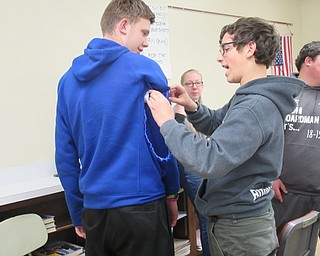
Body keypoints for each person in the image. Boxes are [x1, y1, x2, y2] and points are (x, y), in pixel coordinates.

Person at [146, 17, 305, 256]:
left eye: (226, 48)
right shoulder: (252, 97)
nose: (220, 58)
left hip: (240, 230)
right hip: (246, 222)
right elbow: (219, 123)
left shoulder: (254, 107)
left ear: (250, 48)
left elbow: (209, 160)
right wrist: (191, 106)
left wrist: (167, 122)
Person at [55, 0, 180, 255]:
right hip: (141, 206)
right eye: (144, 33)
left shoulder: (67, 81)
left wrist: (78, 211)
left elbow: (65, 156)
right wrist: (171, 193)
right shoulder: (145, 70)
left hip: (95, 211)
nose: (146, 43)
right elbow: (163, 140)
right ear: (124, 26)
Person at [272, 41, 320, 236]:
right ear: (308, 61)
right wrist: (270, 176)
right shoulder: (283, 93)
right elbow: (265, 138)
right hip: (289, 193)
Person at [174, 69, 210, 256]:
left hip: (205, 166)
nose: (195, 87)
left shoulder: (201, 109)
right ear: (182, 87)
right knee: (206, 216)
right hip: (189, 169)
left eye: (198, 83)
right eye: (190, 83)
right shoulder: (179, 111)